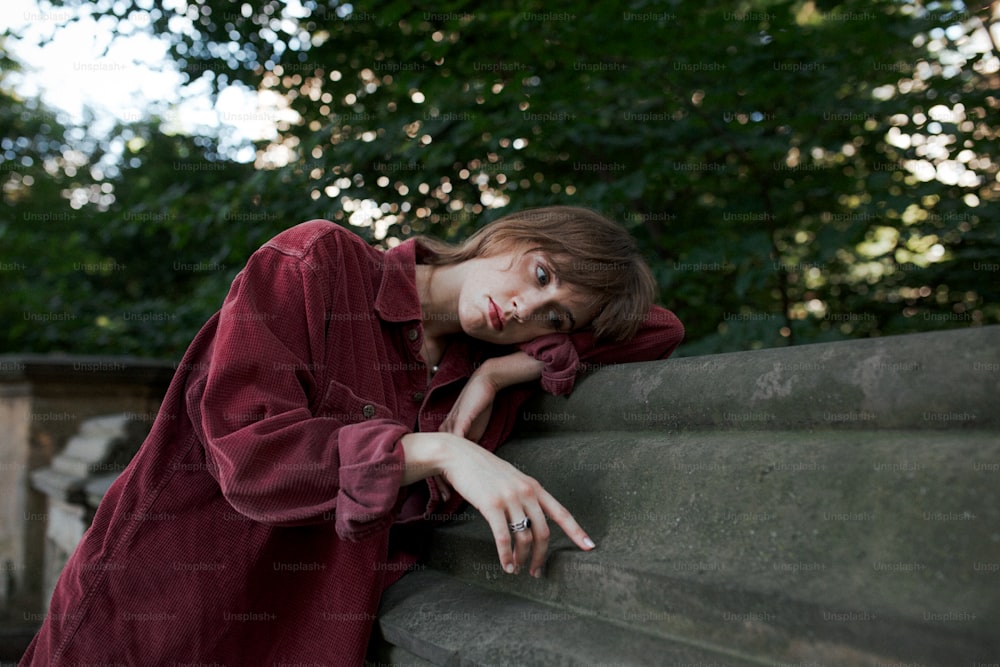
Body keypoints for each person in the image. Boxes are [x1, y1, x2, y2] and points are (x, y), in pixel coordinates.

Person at [21, 206, 683, 666]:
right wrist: (440, 449)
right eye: (539, 274)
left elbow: (660, 329)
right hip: (155, 617)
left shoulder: (464, 379)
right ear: (510, 234)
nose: (527, 309)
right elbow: (252, 457)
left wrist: (502, 369)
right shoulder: (317, 262)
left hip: (299, 638)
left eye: (554, 316)